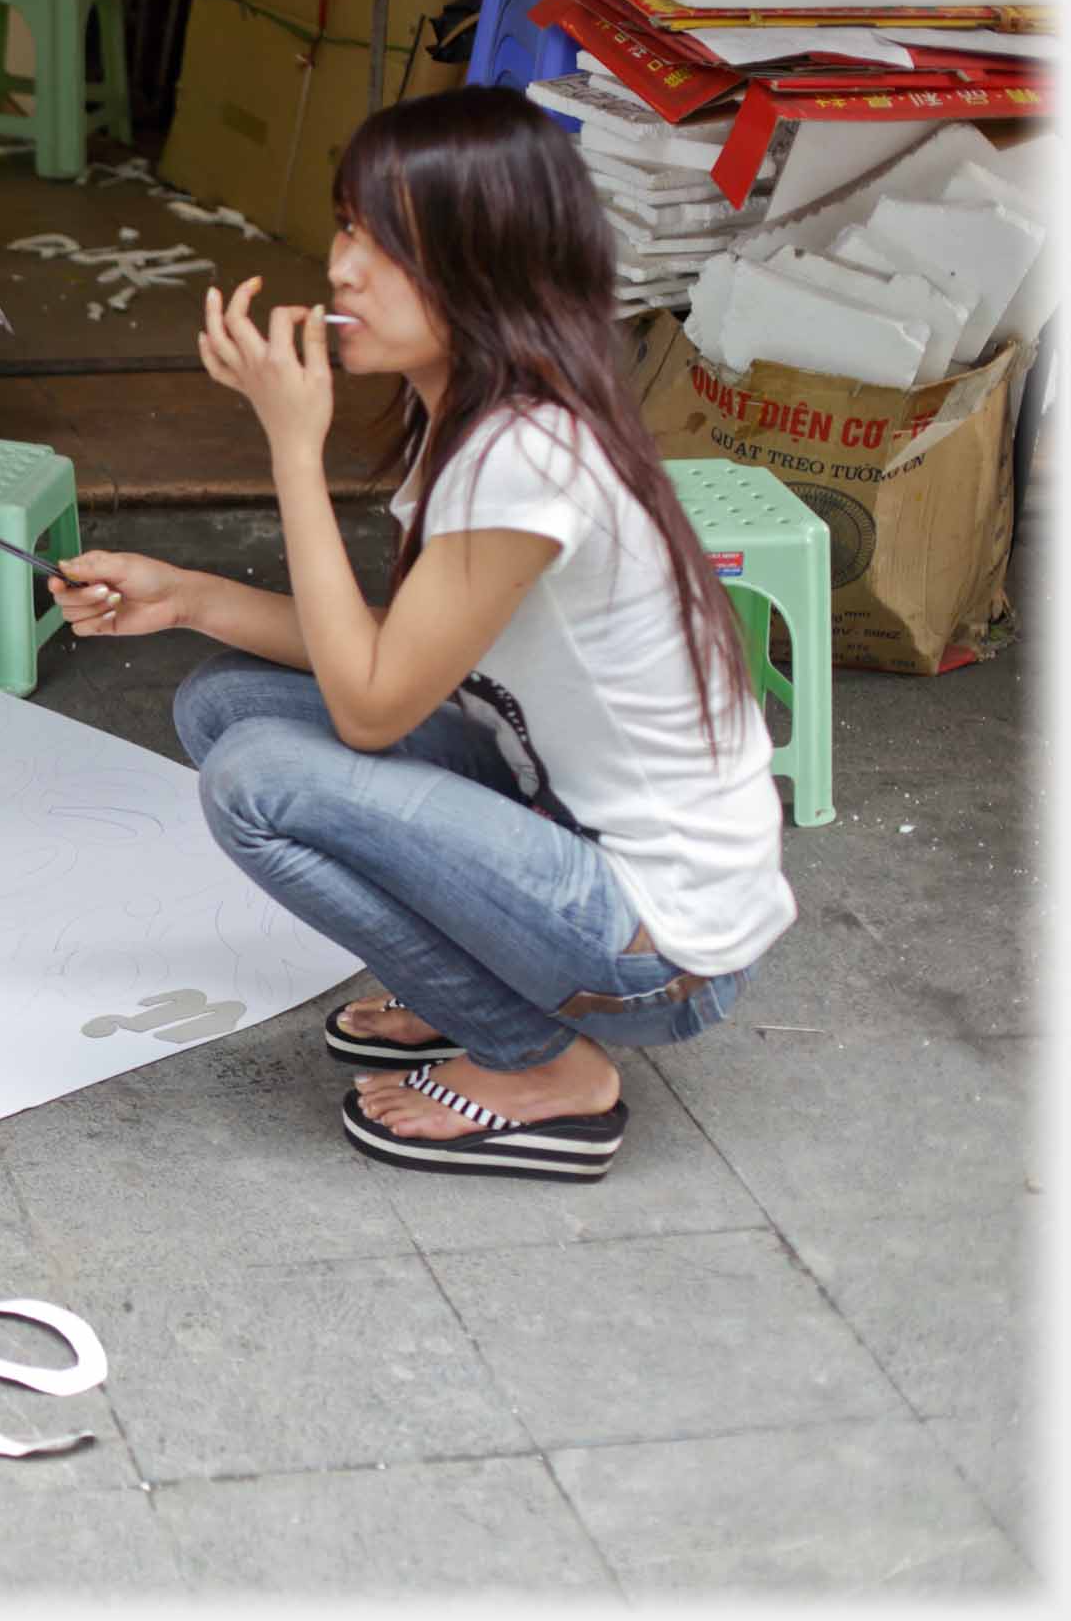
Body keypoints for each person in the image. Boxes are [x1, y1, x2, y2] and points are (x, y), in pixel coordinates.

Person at [50, 86, 792, 1182]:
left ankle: (546, 1065)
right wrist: (190, 595)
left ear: (484, 268)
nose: (343, 268)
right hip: (569, 842)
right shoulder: (479, 413)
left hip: (658, 947)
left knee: (255, 779)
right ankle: (483, 976)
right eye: (350, 225)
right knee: (222, 702)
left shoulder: (528, 454)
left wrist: (291, 452)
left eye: (385, 244)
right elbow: (414, 648)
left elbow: (373, 702)